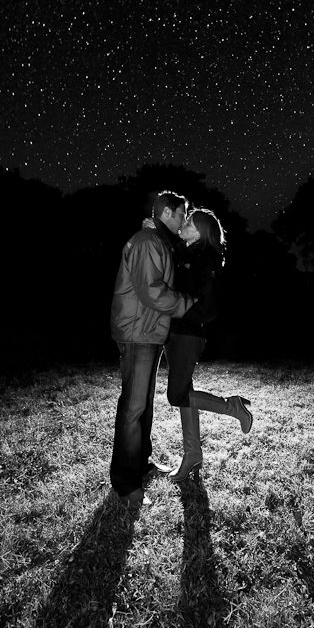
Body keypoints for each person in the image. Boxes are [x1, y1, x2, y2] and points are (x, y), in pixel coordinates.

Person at [110, 190, 195, 509]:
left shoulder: (156, 240)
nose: (185, 220)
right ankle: (125, 484)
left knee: (142, 405)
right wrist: (187, 304)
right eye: (183, 214)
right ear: (169, 213)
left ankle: (140, 463)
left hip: (147, 331)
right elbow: (152, 292)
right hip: (137, 332)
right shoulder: (147, 242)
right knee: (133, 409)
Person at [164, 208, 253, 482]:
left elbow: (210, 306)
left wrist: (184, 315)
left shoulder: (208, 258)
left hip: (189, 335)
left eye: (189, 221)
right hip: (175, 333)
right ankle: (193, 454)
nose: (184, 223)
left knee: (176, 395)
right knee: (184, 391)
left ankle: (232, 406)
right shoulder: (185, 253)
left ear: (201, 230)